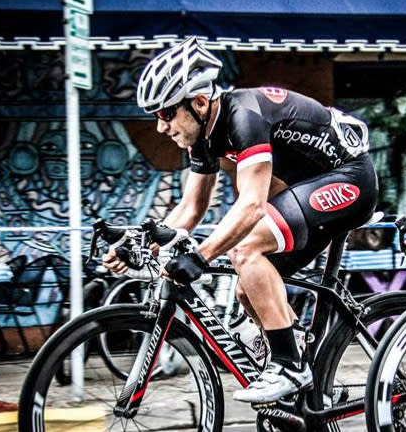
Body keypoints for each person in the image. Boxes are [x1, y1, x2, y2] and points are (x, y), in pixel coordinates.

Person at [103, 37, 378, 404]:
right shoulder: (202, 137)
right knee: (248, 287)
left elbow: (252, 205)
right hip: (309, 190)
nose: (160, 127)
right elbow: (190, 209)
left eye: (166, 113)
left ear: (199, 103)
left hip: (350, 179)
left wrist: (198, 258)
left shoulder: (244, 116)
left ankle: (290, 367)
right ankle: (308, 382)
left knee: (247, 250)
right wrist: (139, 241)